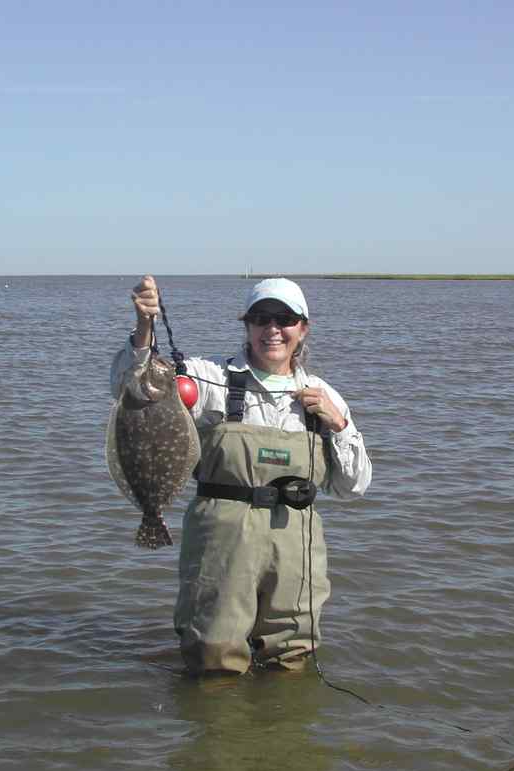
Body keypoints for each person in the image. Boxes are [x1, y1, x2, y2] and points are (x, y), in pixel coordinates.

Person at [110, 275, 372, 675]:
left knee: (293, 655)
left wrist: (338, 425)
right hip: (222, 542)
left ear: (303, 328)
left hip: (295, 544)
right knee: (213, 654)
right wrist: (145, 329)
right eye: (261, 318)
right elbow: (130, 386)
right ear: (246, 325)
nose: (273, 330)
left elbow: (352, 486)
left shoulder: (323, 395)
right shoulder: (208, 378)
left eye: (284, 319)